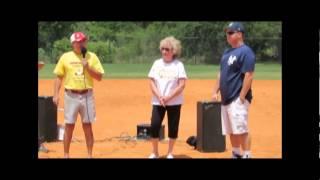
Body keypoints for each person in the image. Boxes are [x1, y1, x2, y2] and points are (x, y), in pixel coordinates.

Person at [53, 32, 104, 158]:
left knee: (87, 126)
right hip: (70, 95)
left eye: (83, 41)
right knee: (69, 126)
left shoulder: (92, 56)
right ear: (72, 43)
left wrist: (88, 67)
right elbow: (59, 77)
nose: (81, 44)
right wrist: (55, 94)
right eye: (78, 42)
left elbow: (99, 77)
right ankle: (66, 155)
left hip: (87, 95)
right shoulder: (65, 57)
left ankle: (89, 155)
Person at [212, 22, 255, 158]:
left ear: (240, 34)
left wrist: (242, 96)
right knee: (231, 129)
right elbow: (221, 73)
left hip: (237, 97)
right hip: (226, 98)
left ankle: (247, 155)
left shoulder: (246, 51)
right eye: (227, 32)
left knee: (241, 129)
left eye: (231, 32)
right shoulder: (227, 52)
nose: (227, 35)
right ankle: (236, 153)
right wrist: (215, 91)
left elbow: (249, 75)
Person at [147, 36, 187, 159]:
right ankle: (155, 152)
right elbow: (151, 81)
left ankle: (170, 152)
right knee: (154, 125)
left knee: (173, 127)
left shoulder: (178, 65)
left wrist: (168, 97)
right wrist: (159, 96)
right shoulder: (157, 63)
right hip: (158, 101)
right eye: (162, 49)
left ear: (173, 51)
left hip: (174, 102)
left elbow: (182, 85)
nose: (164, 51)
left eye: (167, 49)